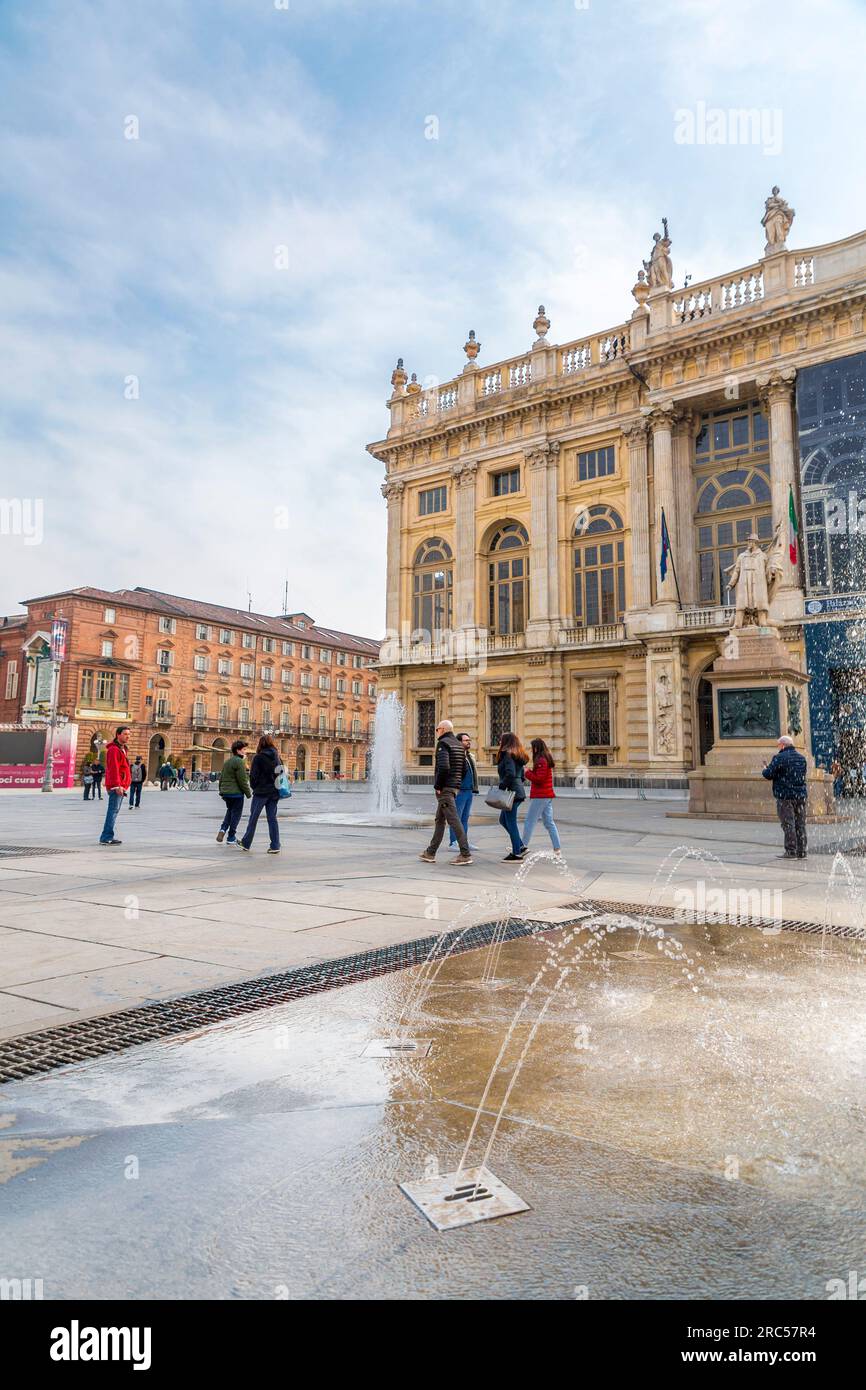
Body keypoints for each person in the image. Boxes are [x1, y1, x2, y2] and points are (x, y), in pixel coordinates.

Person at [419, 719, 473, 865]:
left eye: (437, 729)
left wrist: (438, 785)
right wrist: (457, 782)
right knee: (440, 820)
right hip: (454, 787)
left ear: (442, 729)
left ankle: (465, 854)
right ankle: (430, 852)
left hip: (445, 788)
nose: (436, 732)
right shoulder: (458, 745)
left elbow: (443, 767)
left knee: (454, 820)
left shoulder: (443, 743)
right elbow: (464, 768)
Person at [762, 734, 808, 859]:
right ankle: (802, 851)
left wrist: (765, 768)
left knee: (788, 824)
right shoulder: (801, 758)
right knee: (800, 824)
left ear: (782, 745)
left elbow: (768, 774)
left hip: (785, 796)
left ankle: (791, 851)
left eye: (778, 745)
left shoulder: (779, 758)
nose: (778, 747)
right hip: (800, 796)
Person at [237, 734, 282, 854]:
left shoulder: (258, 757)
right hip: (274, 792)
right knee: (272, 819)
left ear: (261, 744)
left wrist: (255, 787)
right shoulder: (277, 757)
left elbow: (253, 776)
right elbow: (280, 772)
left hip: (261, 792)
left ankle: (246, 843)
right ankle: (275, 845)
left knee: (253, 818)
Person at [523, 738, 562, 857]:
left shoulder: (541, 760)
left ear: (536, 748)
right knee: (549, 822)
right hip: (546, 795)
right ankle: (557, 849)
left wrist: (527, 772)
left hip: (541, 795)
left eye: (532, 748)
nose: (531, 750)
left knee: (529, 821)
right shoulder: (545, 758)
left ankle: (522, 847)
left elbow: (539, 779)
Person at [496, 732, 528, 861]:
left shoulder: (507, 754)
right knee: (503, 820)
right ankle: (520, 846)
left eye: (501, 740)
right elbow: (522, 776)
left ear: (506, 742)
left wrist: (502, 786)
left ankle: (516, 853)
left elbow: (510, 773)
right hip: (517, 791)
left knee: (511, 822)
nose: (499, 742)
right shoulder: (517, 755)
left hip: (511, 793)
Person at [99, 726, 131, 845]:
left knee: (114, 811)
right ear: (118, 735)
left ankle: (107, 835)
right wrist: (117, 785)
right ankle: (106, 837)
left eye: (129, 734)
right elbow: (113, 768)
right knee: (112, 811)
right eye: (125, 734)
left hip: (121, 785)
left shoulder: (122, 749)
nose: (128, 736)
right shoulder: (114, 750)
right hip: (116, 786)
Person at [448, 732, 479, 851]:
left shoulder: (470, 756)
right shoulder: (455, 756)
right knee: (456, 818)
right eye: (466, 740)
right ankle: (453, 842)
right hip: (459, 791)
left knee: (465, 818)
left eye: (469, 740)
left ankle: (463, 841)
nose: (468, 742)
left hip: (469, 791)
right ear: (459, 742)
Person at [217, 740, 251, 843]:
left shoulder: (227, 761)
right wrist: (248, 793)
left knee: (230, 811)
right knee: (236, 814)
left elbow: (222, 777)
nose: (245, 751)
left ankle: (222, 829)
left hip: (226, 792)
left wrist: (221, 791)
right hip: (236, 793)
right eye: (244, 749)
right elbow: (242, 780)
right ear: (238, 750)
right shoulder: (239, 762)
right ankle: (231, 836)